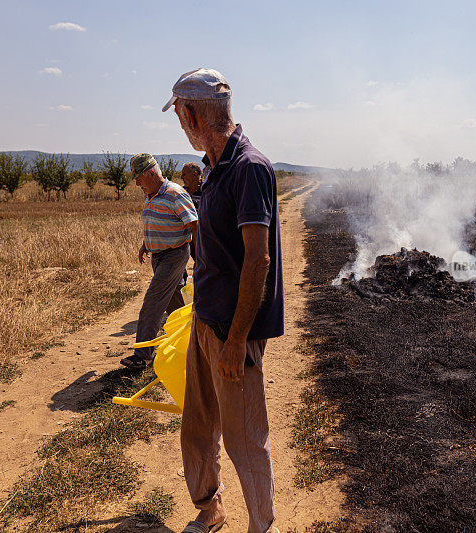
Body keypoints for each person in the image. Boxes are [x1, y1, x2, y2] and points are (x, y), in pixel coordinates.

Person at [163, 68, 283, 533]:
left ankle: (262, 527)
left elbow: (258, 260)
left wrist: (236, 341)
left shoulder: (249, 168)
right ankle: (211, 511)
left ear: (192, 113)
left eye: (178, 114)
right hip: (206, 320)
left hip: (235, 332)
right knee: (198, 427)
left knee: (245, 438)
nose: (179, 123)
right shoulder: (213, 168)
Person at [120, 153, 198, 371]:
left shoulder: (175, 193)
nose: (136, 183)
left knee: (152, 303)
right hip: (158, 256)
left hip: (174, 256)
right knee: (173, 306)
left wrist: (203, 257)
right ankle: (194, 343)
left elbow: (194, 225)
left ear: (152, 173)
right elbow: (153, 220)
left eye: (139, 178)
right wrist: (146, 244)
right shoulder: (150, 194)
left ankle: (141, 355)